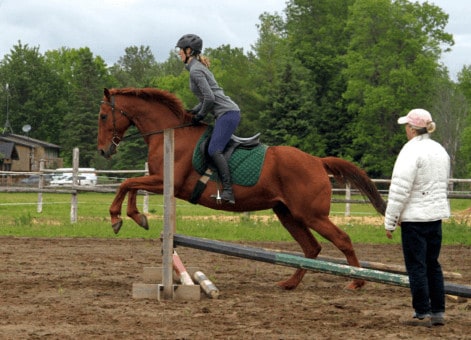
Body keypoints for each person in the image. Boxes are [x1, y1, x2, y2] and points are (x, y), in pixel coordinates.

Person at [384, 108, 450, 327]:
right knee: (433, 264)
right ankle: (438, 311)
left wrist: (390, 220)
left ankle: (422, 312)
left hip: (414, 220)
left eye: (406, 126)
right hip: (435, 217)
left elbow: (400, 189)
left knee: (416, 266)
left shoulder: (410, 151)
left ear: (412, 129)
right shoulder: (439, 150)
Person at [176, 34, 240, 204]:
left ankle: (228, 192)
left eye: (180, 50)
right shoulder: (195, 69)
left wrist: (200, 115)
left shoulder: (196, 70)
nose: (178, 54)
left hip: (228, 114)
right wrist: (192, 112)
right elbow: (205, 99)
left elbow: (210, 99)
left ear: (189, 51)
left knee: (214, 150)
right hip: (225, 113)